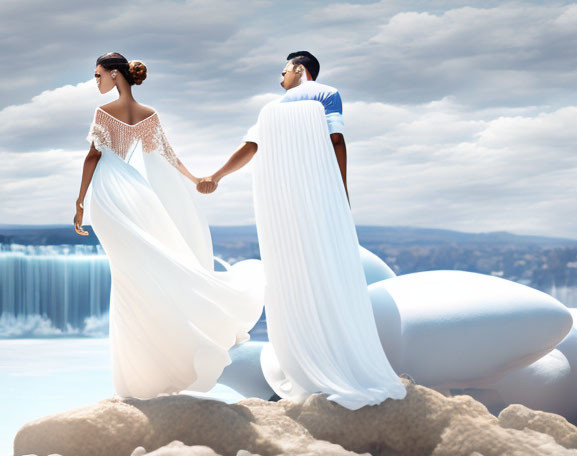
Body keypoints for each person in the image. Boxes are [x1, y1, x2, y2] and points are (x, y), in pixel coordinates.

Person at [198, 51, 406, 409]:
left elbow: (250, 149)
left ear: (299, 69)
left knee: (293, 273)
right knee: (328, 268)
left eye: (283, 72)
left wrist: (215, 176)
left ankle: (303, 359)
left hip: (280, 204)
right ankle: (337, 355)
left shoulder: (275, 108)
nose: (281, 80)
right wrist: (342, 190)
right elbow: (336, 140)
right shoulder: (327, 96)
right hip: (317, 198)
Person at [73, 52, 264, 399]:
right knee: (137, 276)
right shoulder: (149, 116)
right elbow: (168, 156)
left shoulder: (103, 113)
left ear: (116, 76)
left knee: (128, 278)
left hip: (110, 193)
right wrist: (196, 180)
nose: (96, 81)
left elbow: (93, 156)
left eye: (98, 75)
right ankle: (156, 364)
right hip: (136, 191)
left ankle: (139, 376)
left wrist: (80, 201)